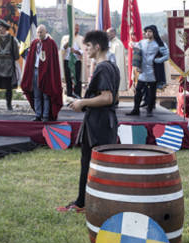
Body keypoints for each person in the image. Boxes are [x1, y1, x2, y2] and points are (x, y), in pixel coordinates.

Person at [57, 31, 120, 212]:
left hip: (98, 124)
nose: (86, 50)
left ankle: (83, 204)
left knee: (91, 164)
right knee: (98, 164)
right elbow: (115, 98)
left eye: (88, 46)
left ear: (97, 47)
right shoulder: (113, 67)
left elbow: (107, 98)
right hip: (105, 122)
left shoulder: (103, 68)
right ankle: (87, 202)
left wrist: (82, 102)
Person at [21, 25, 62, 121]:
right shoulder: (35, 43)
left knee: (46, 94)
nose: (39, 34)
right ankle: (38, 115)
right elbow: (30, 59)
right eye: (38, 32)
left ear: (46, 32)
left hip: (46, 73)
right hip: (35, 71)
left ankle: (46, 115)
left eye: (41, 32)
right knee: (36, 95)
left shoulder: (51, 43)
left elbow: (54, 62)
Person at [127, 25, 169, 117]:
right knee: (138, 90)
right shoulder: (142, 42)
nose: (148, 33)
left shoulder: (160, 44)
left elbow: (166, 55)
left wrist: (158, 61)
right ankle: (136, 109)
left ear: (154, 32)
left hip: (153, 72)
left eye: (150, 31)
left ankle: (149, 110)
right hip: (143, 72)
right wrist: (131, 34)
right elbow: (133, 45)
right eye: (146, 32)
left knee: (151, 92)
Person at [0, 19, 19, 110]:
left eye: (1, 27)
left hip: (8, 67)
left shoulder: (12, 39)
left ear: (5, 28)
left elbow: (16, 54)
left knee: (9, 87)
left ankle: (9, 105)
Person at [59, 23, 84, 98]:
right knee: (68, 78)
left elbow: (83, 51)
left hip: (77, 61)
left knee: (77, 78)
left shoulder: (81, 38)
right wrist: (68, 42)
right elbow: (62, 49)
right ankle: (69, 95)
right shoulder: (65, 37)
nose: (77, 30)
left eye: (77, 28)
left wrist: (76, 51)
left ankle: (77, 94)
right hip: (67, 60)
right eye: (75, 28)